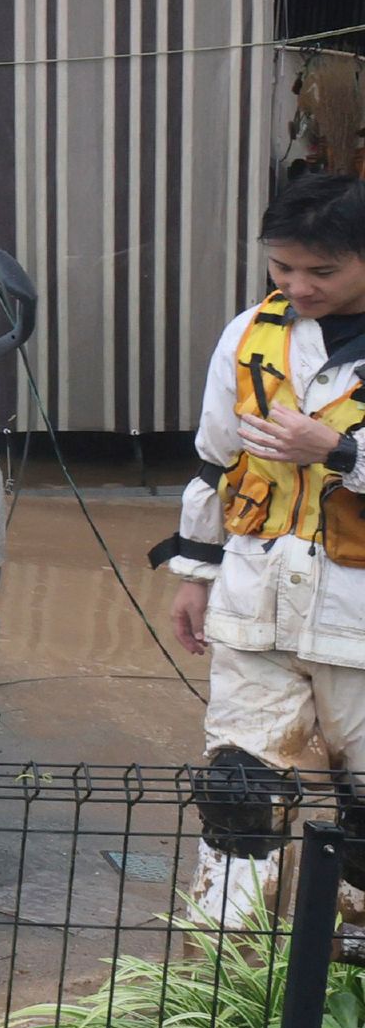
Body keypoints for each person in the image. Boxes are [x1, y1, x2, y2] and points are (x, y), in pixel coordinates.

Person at [160, 166, 365, 925]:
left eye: (323, 270)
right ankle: (223, 994)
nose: (298, 285)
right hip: (257, 607)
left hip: (358, 624)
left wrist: (339, 452)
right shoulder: (251, 334)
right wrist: (196, 574)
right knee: (237, 796)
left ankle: (347, 1001)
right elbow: (216, 461)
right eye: (282, 266)